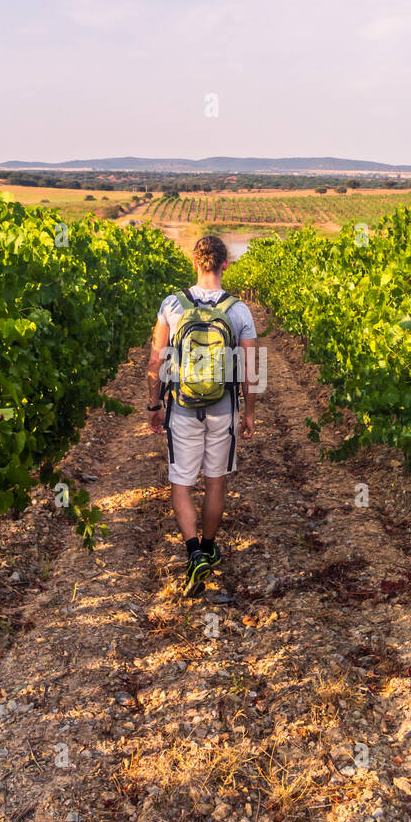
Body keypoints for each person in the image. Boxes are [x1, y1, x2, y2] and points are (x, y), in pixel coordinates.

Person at [147, 235, 257, 597]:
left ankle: (193, 552)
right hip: (222, 408)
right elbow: (251, 369)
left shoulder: (172, 305)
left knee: (181, 481)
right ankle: (208, 547)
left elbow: (155, 360)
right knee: (215, 481)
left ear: (195, 263)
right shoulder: (238, 310)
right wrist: (249, 412)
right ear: (226, 264)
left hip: (181, 406)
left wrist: (154, 404)